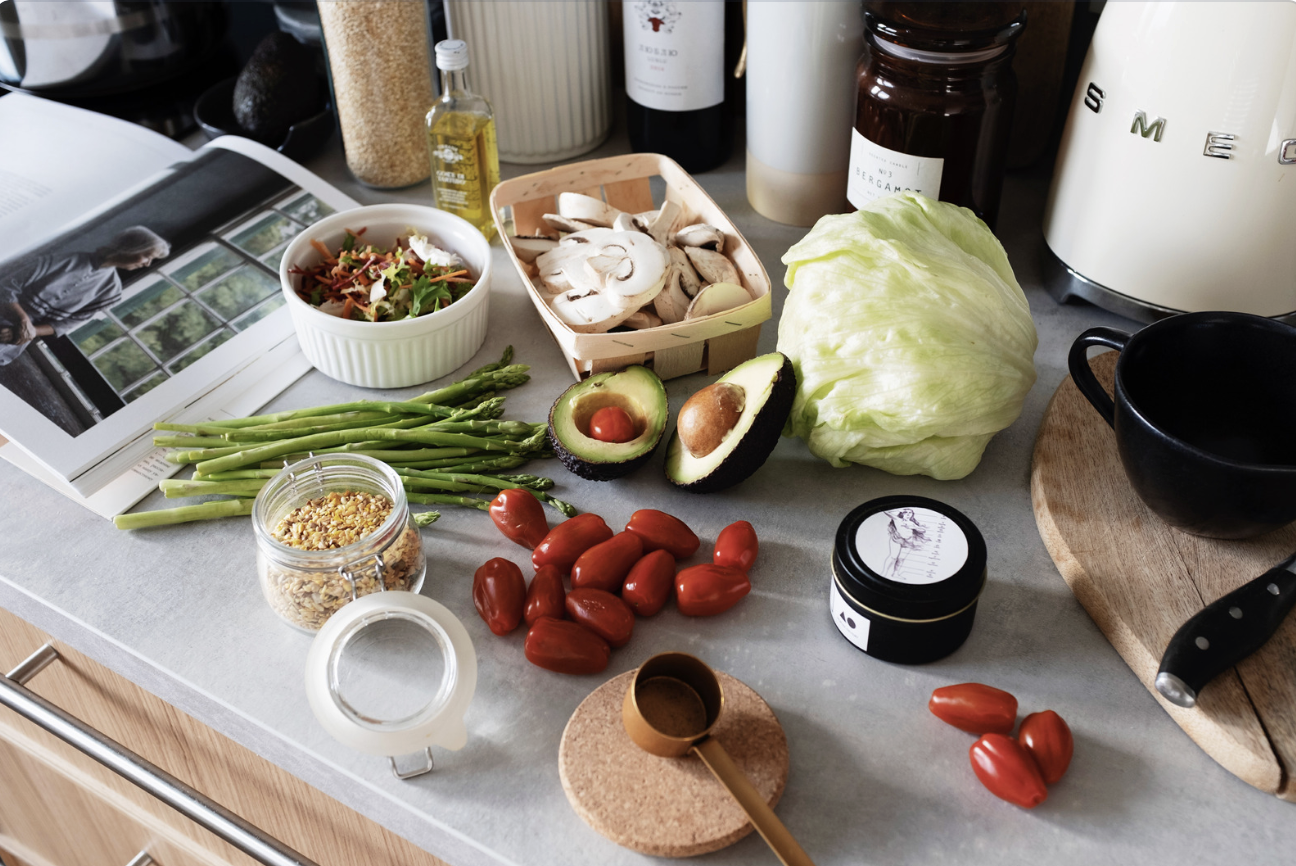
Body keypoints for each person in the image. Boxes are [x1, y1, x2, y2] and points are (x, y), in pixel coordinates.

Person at [0, 226, 171, 365]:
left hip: (13, 339)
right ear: (132, 247)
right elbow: (8, 286)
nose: (147, 264)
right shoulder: (67, 258)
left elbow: (66, 324)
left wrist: (26, 332)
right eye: (147, 256)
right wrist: (23, 320)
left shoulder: (111, 290)